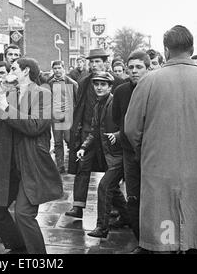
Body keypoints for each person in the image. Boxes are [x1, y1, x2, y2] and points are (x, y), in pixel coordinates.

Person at [125, 25, 197, 253]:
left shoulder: (147, 83)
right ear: (191, 49)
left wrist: (146, 157)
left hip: (159, 180)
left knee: (163, 241)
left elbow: (131, 131)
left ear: (166, 50)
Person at [0, 58, 63, 254]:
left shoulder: (43, 94)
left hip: (31, 163)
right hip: (8, 165)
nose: (8, 72)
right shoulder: (10, 94)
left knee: (23, 214)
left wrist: (4, 106)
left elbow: (35, 126)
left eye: (13, 68)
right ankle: (18, 246)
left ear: (26, 71)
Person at [66, 48, 125, 218]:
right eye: (91, 62)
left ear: (106, 63)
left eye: (97, 61)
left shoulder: (118, 82)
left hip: (108, 133)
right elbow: (79, 107)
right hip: (88, 132)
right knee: (82, 167)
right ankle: (78, 206)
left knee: (111, 170)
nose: (94, 65)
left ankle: (115, 206)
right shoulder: (84, 82)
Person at [76, 71, 129, 238]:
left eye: (103, 84)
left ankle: (102, 227)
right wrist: (83, 147)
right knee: (113, 189)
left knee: (104, 187)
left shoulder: (115, 102)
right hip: (109, 156)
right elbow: (93, 131)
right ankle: (128, 217)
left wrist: (118, 135)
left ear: (110, 87)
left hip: (120, 156)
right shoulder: (98, 105)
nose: (99, 87)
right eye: (96, 84)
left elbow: (129, 125)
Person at [112, 50, 150, 253]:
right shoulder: (120, 91)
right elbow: (117, 118)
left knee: (153, 197)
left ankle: (157, 240)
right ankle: (141, 242)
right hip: (129, 152)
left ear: (147, 67)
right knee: (133, 196)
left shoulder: (155, 88)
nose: (134, 71)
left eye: (139, 67)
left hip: (152, 153)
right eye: (131, 67)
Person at [46, 60, 78, 174]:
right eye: (55, 68)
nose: (57, 70)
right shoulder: (49, 83)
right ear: (52, 70)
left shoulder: (71, 82)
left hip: (68, 115)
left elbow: (77, 100)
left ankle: (73, 164)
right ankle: (60, 166)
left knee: (69, 139)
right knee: (58, 142)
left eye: (59, 68)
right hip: (55, 115)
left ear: (63, 69)